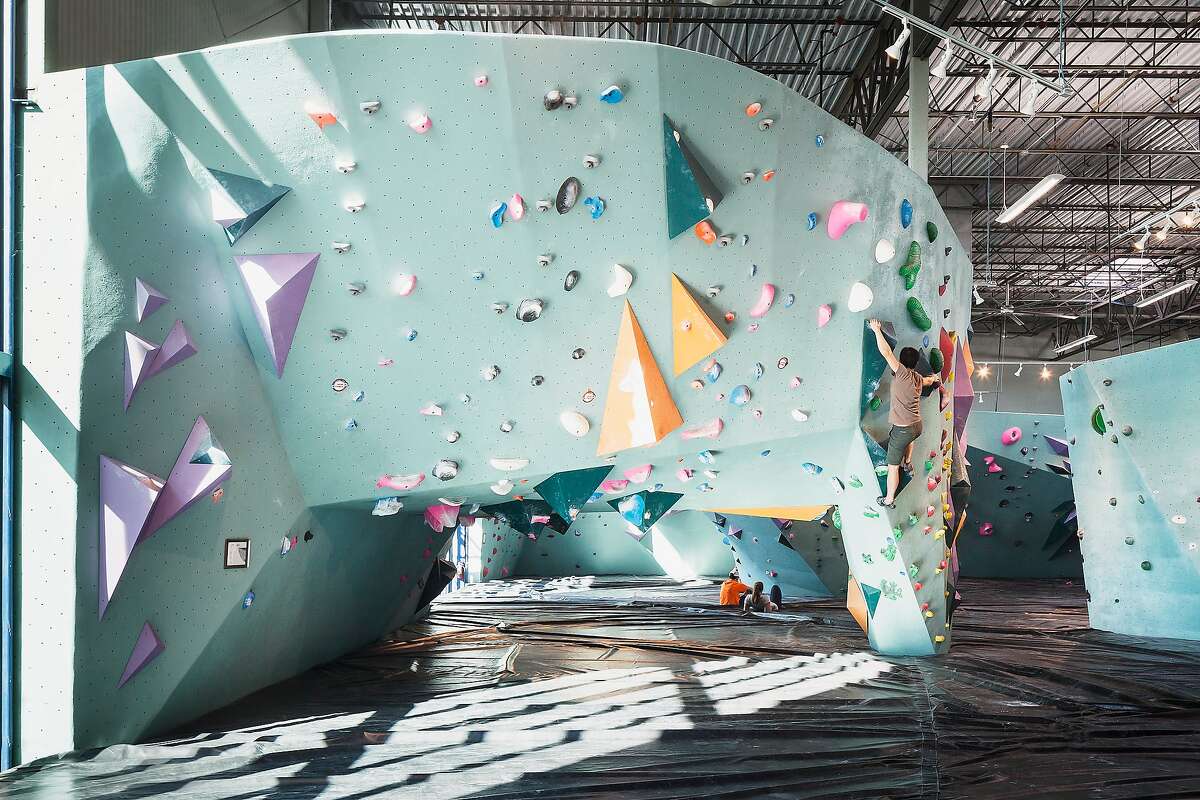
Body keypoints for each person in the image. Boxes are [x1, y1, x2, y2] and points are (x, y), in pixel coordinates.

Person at [869, 319, 940, 508]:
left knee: (892, 467)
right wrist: (934, 378)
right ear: (916, 363)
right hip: (917, 425)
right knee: (910, 439)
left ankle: (889, 499)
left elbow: (886, 352)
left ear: (901, 361)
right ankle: (908, 461)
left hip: (903, 430)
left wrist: (876, 330)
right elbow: (928, 381)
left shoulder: (900, 372)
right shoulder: (917, 377)